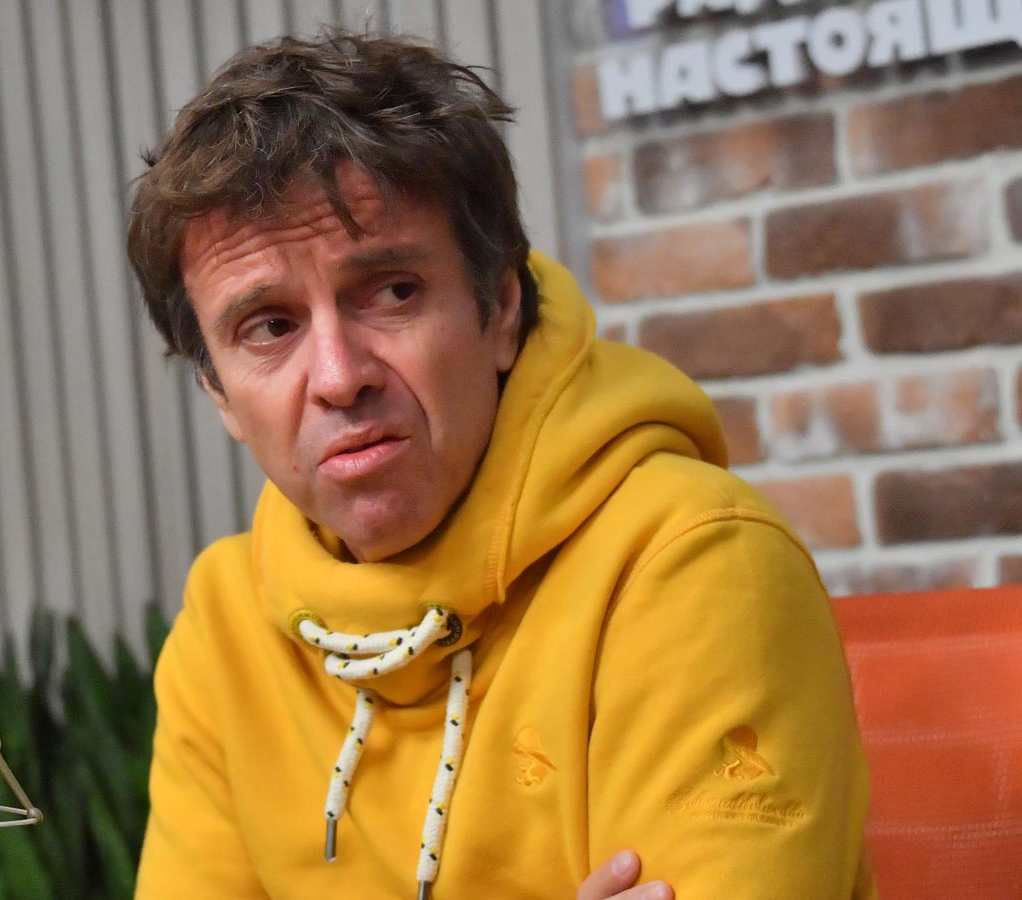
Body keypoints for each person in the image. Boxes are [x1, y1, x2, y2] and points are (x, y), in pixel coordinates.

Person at [126, 31, 875, 900]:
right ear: (219, 393)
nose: (338, 377)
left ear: (503, 309)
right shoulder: (223, 626)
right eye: (270, 327)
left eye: (392, 291)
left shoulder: (693, 561)